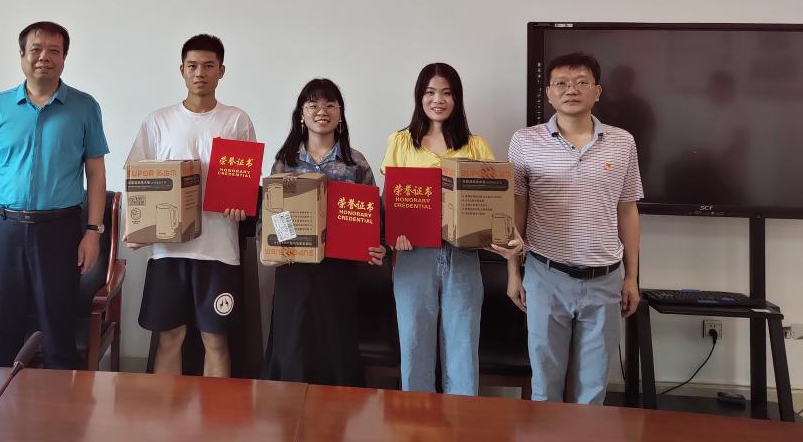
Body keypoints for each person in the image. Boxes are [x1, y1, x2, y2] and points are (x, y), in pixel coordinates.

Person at [0, 21, 108, 369]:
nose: (44, 57)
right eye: (36, 50)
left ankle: (60, 403)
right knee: (3, 328)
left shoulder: (85, 107)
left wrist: (92, 232)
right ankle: (0, 400)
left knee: (58, 330)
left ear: (64, 58)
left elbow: (96, 173)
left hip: (60, 231)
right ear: (22, 55)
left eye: (54, 51)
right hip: (4, 229)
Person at [507, 51, 642, 405]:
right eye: (562, 83)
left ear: (597, 91)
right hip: (545, 275)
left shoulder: (622, 142)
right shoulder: (525, 141)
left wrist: (631, 277)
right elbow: (515, 208)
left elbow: (628, 210)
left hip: (605, 279)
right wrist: (513, 273)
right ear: (549, 93)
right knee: (544, 385)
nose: (571, 89)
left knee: (593, 389)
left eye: (582, 82)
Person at [381, 63, 522, 395]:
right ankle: (416, 421)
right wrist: (396, 233)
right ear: (420, 97)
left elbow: (492, 204)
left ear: (457, 99)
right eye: (430, 92)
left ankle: (461, 419)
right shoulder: (401, 141)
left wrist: (505, 238)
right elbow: (390, 200)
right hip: (414, 258)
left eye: (446, 93)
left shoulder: (475, 145)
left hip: (463, 257)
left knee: (462, 350)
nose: (438, 100)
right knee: (414, 348)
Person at [125, 34, 256, 378]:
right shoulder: (158, 121)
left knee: (216, 340)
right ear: (182, 70)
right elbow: (137, 179)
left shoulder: (236, 120)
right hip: (168, 250)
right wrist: (137, 229)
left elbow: (244, 184)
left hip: (219, 249)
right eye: (193, 66)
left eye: (209, 66)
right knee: (169, 338)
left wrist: (240, 205)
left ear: (221, 71)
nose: (200, 73)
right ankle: (166, 413)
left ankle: (215, 413)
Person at [260, 78, 386, 386]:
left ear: (340, 114)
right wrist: (270, 248)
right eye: (313, 104)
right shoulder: (286, 161)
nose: (322, 111)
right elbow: (271, 214)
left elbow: (375, 217)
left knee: (335, 350)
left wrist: (378, 245)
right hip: (294, 270)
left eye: (330, 105)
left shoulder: (355, 162)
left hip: (338, 274)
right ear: (301, 115)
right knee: (292, 349)